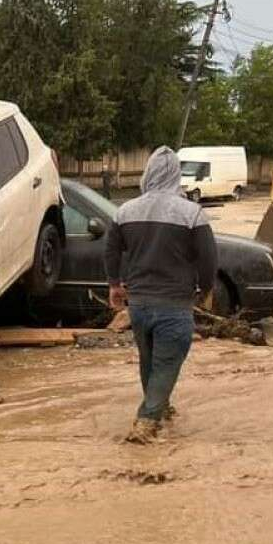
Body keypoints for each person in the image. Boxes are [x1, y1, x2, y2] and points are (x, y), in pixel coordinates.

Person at [104, 146, 217, 444]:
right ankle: (147, 421)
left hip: (139, 305)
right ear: (177, 175)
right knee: (166, 364)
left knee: (150, 361)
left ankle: (160, 407)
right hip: (174, 305)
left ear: (147, 174)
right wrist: (205, 290)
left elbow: (110, 249)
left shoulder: (125, 211)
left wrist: (115, 285)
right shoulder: (192, 213)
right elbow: (208, 259)